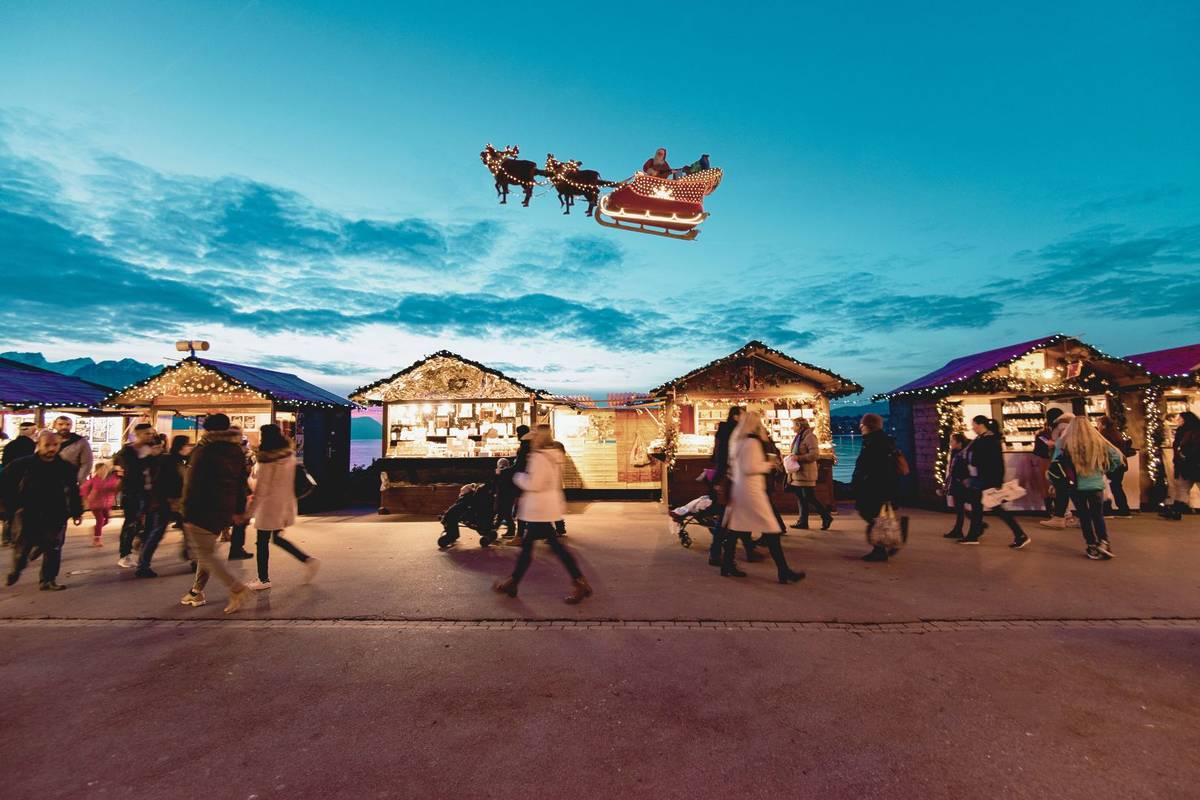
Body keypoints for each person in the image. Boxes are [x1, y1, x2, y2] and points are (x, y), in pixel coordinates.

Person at [493, 425, 592, 603]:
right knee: (536, 547)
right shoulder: (555, 455)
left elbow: (535, 484)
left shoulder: (538, 457)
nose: (531, 441)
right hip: (547, 507)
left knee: (549, 548)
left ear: (538, 439)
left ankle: (579, 582)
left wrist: (517, 477)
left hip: (538, 509)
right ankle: (514, 581)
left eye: (534, 438)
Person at [179, 414, 253, 613]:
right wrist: (238, 510)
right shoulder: (236, 450)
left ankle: (236, 588)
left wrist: (185, 510)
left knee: (205, 553)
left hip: (201, 508)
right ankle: (196, 591)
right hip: (224, 508)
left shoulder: (203, 451)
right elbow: (240, 482)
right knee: (207, 550)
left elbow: (192, 484)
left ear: (208, 430)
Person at [721, 411, 805, 583]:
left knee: (736, 528)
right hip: (752, 492)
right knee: (772, 529)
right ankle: (783, 571)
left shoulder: (737, 442)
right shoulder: (752, 443)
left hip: (740, 490)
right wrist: (769, 464)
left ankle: (727, 565)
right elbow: (750, 468)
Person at [3, 430, 83, 590]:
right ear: (38, 445)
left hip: (56, 511)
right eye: (47, 445)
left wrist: (76, 511)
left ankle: (48, 580)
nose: (51, 449)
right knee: (23, 546)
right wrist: (8, 507)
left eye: (55, 445)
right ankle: (17, 568)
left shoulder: (65, 467)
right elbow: (4, 483)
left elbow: (73, 490)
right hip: (28, 511)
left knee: (54, 546)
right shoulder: (22, 464)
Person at [245, 424, 319, 590]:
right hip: (286, 504)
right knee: (276, 538)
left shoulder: (266, 461)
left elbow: (262, 489)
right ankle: (307, 560)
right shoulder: (289, 456)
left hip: (269, 507)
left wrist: (249, 512)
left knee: (262, 542)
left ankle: (263, 579)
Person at [1054, 417, 1123, 560]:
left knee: (1084, 516)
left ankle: (1091, 544)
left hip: (1076, 485)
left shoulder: (1064, 443)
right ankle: (1104, 542)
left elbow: (1055, 463)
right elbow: (1117, 457)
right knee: (1097, 515)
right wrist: (1105, 469)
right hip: (1095, 484)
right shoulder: (1099, 441)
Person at [959, 416, 1030, 549]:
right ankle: (975, 533)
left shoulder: (989, 440)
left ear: (980, 424)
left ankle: (1019, 534)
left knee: (994, 506)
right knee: (977, 505)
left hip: (985, 479)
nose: (972, 427)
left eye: (973, 424)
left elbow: (995, 462)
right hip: (980, 478)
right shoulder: (983, 438)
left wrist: (996, 481)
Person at [852, 413, 902, 562]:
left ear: (869, 426)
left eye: (862, 425)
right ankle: (884, 545)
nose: (860, 428)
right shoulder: (883, 440)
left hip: (875, 487)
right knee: (876, 516)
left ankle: (883, 546)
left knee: (870, 514)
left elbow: (873, 466)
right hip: (882, 486)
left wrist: (861, 479)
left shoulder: (874, 442)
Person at [115, 423, 156, 568]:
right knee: (131, 523)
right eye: (147, 434)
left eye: (152, 433)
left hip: (151, 493)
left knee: (152, 523)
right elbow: (130, 469)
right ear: (138, 435)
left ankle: (140, 546)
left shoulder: (153, 449)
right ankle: (125, 554)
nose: (151, 436)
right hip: (133, 493)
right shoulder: (127, 451)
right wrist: (149, 458)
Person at [786, 418, 833, 531]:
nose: (792, 427)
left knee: (809, 497)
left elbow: (815, 455)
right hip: (798, 473)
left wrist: (798, 457)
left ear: (799, 425)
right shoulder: (799, 437)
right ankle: (803, 521)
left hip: (806, 473)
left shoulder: (809, 437)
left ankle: (826, 516)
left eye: (794, 425)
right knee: (801, 498)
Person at [1038, 409, 1076, 529]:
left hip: (1060, 460)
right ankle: (1065, 516)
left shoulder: (1062, 426)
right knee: (1064, 489)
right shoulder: (1068, 425)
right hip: (1064, 460)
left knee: (1061, 489)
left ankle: (1062, 517)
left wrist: (1053, 444)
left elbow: (1063, 443)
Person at [2, 422, 37, 546]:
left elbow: (5, 464)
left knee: (10, 509)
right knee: (24, 509)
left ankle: (6, 536)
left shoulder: (10, 445)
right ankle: (18, 537)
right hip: (26, 482)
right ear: (33, 432)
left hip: (9, 482)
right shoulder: (33, 447)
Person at [1165, 411, 1200, 520]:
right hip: (1186, 465)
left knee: (1182, 487)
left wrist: (1184, 455)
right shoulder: (1184, 431)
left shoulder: (1192, 432)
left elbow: (1192, 448)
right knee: (1182, 488)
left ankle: (1176, 511)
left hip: (1191, 464)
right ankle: (1176, 511)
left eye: (1180, 418)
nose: (1178, 420)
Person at [1096, 416, 1133, 517]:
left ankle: (1107, 510)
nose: (1097, 426)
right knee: (1116, 486)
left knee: (1107, 486)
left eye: (1098, 423)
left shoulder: (1104, 435)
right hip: (1120, 464)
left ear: (1104, 425)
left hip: (1111, 464)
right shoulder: (1116, 433)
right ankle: (1124, 509)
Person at [80, 463, 120, 547]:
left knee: (107, 520)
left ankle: (96, 529)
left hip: (106, 504)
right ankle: (96, 540)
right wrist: (87, 498)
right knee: (100, 520)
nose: (103, 471)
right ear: (97, 471)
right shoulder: (93, 480)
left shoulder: (111, 479)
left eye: (104, 469)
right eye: (101, 469)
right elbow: (83, 488)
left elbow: (116, 487)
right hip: (95, 504)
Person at [942, 432, 972, 539]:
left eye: (952, 441)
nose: (950, 443)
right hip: (956, 481)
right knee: (959, 506)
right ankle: (975, 524)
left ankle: (959, 530)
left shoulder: (965, 453)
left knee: (960, 506)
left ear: (959, 442)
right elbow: (952, 468)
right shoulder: (955, 452)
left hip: (962, 482)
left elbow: (965, 468)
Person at [52, 415, 94, 486]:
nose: (64, 427)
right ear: (55, 425)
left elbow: (86, 463)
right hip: (49, 478)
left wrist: (80, 479)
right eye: (60, 424)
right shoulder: (49, 440)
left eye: (68, 424)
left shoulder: (80, 441)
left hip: (69, 480)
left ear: (71, 426)